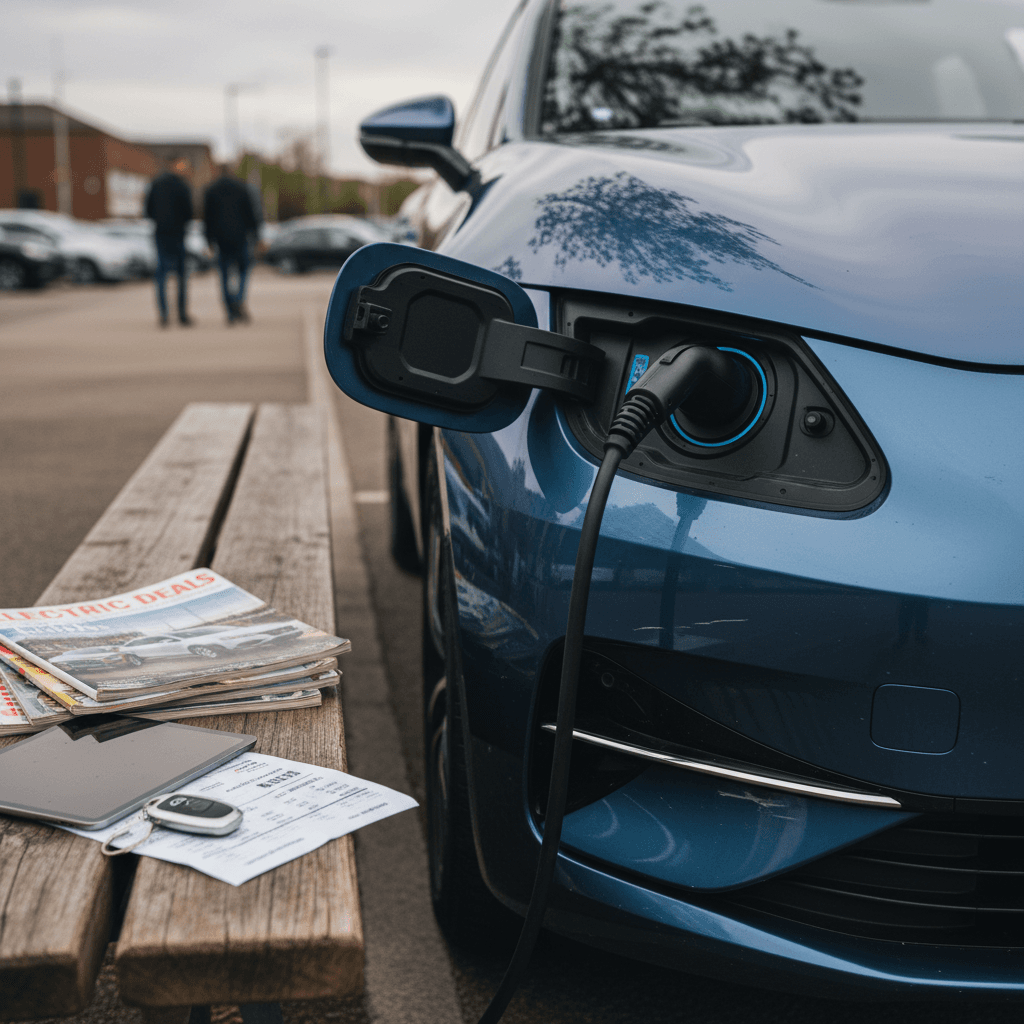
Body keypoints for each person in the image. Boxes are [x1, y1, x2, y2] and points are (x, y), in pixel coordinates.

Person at [204, 167, 260, 324]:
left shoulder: (211, 190)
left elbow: (207, 217)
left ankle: (230, 309)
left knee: (224, 276)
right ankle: (238, 300)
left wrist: (208, 240)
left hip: (221, 240)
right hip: (240, 237)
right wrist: (255, 236)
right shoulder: (241, 188)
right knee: (243, 272)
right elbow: (250, 214)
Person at [144, 156, 194, 327]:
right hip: (178, 234)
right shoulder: (182, 185)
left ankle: (164, 314)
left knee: (162, 275)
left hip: (161, 233)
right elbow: (189, 212)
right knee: (180, 275)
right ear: (175, 164)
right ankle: (181, 314)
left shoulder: (156, 183)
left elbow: (148, 210)